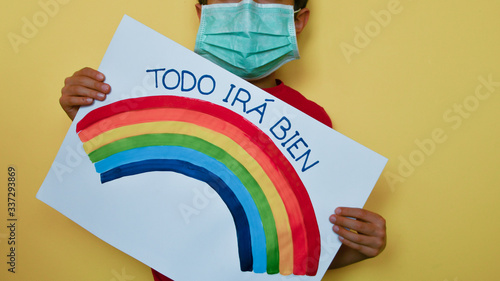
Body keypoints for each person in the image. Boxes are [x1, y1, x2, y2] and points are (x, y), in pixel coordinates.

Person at [59, 1, 387, 280]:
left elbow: (292, 250)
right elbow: (125, 183)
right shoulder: (148, 90)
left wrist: (354, 250)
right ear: (203, 15)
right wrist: (86, 114)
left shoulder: (314, 122)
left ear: (297, 19)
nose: (247, 12)